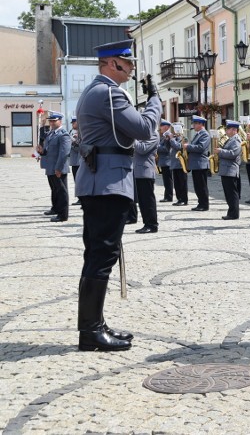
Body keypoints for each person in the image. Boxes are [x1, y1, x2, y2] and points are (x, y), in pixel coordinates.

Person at [74, 38, 161, 351]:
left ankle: (95, 325)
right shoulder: (109, 93)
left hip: (101, 182)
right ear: (112, 64)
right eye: (128, 62)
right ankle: (90, 332)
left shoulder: (96, 92)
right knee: (101, 256)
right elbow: (145, 129)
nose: (133, 68)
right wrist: (155, 100)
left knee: (98, 255)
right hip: (107, 185)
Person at [42, 112, 71, 222]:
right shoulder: (52, 133)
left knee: (62, 191)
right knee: (55, 189)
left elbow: (64, 153)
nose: (52, 123)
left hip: (58, 168)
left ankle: (63, 215)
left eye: (54, 121)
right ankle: (56, 209)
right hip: (51, 167)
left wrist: (58, 168)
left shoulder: (63, 134)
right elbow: (49, 150)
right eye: (51, 121)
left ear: (60, 121)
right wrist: (42, 152)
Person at [132, 129, 160, 234]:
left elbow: (143, 149)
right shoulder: (143, 134)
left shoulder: (153, 134)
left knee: (147, 200)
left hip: (145, 170)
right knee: (142, 201)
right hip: (139, 170)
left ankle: (152, 225)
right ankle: (146, 223)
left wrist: (132, 139)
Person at [215, 120, 243, 220]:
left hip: (231, 170)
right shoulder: (230, 139)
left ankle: (234, 214)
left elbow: (233, 154)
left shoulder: (236, 140)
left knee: (232, 193)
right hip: (226, 169)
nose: (226, 131)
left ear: (234, 130)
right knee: (228, 193)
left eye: (228, 129)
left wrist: (220, 151)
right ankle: (231, 212)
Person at [184, 115, 210, 212]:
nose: (193, 125)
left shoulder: (205, 134)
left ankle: (204, 205)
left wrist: (188, 147)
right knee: (197, 186)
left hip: (201, 164)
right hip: (196, 164)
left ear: (200, 124)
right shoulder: (198, 134)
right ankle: (200, 203)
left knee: (202, 186)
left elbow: (201, 147)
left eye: (195, 123)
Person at [167, 124, 189, 206]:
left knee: (182, 183)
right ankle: (179, 198)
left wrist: (172, 139)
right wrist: (167, 140)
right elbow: (167, 148)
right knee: (176, 184)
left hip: (181, 164)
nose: (175, 131)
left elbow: (179, 147)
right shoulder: (174, 139)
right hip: (174, 164)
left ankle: (184, 199)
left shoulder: (184, 139)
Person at [157, 120, 174, 203]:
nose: (160, 128)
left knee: (168, 180)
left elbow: (166, 149)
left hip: (167, 161)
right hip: (164, 161)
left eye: (162, 126)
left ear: (166, 127)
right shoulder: (163, 136)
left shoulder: (168, 136)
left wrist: (156, 147)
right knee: (166, 180)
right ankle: (166, 196)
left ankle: (169, 196)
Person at [69, 117, 81, 205]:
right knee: (76, 180)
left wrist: (73, 143)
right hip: (74, 161)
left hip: (80, 162)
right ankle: (79, 198)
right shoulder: (72, 132)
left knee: (79, 180)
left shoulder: (82, 133)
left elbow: (80, 148)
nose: (72, 125)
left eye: (74, 123)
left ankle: (82, 199)